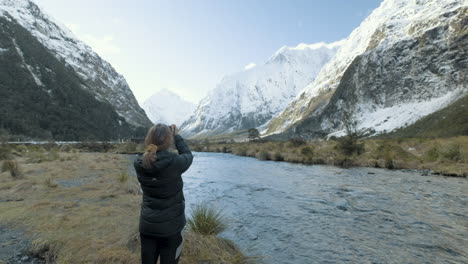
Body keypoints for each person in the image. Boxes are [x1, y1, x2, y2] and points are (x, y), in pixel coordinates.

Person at [134, 123, 193, 264]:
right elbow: (188, 155)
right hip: (172, 228)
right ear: (169, 140)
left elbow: (151, 158)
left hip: (147, 225)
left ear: (148, 140)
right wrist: (177, 136)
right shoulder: (175, 162)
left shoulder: (138, 163)